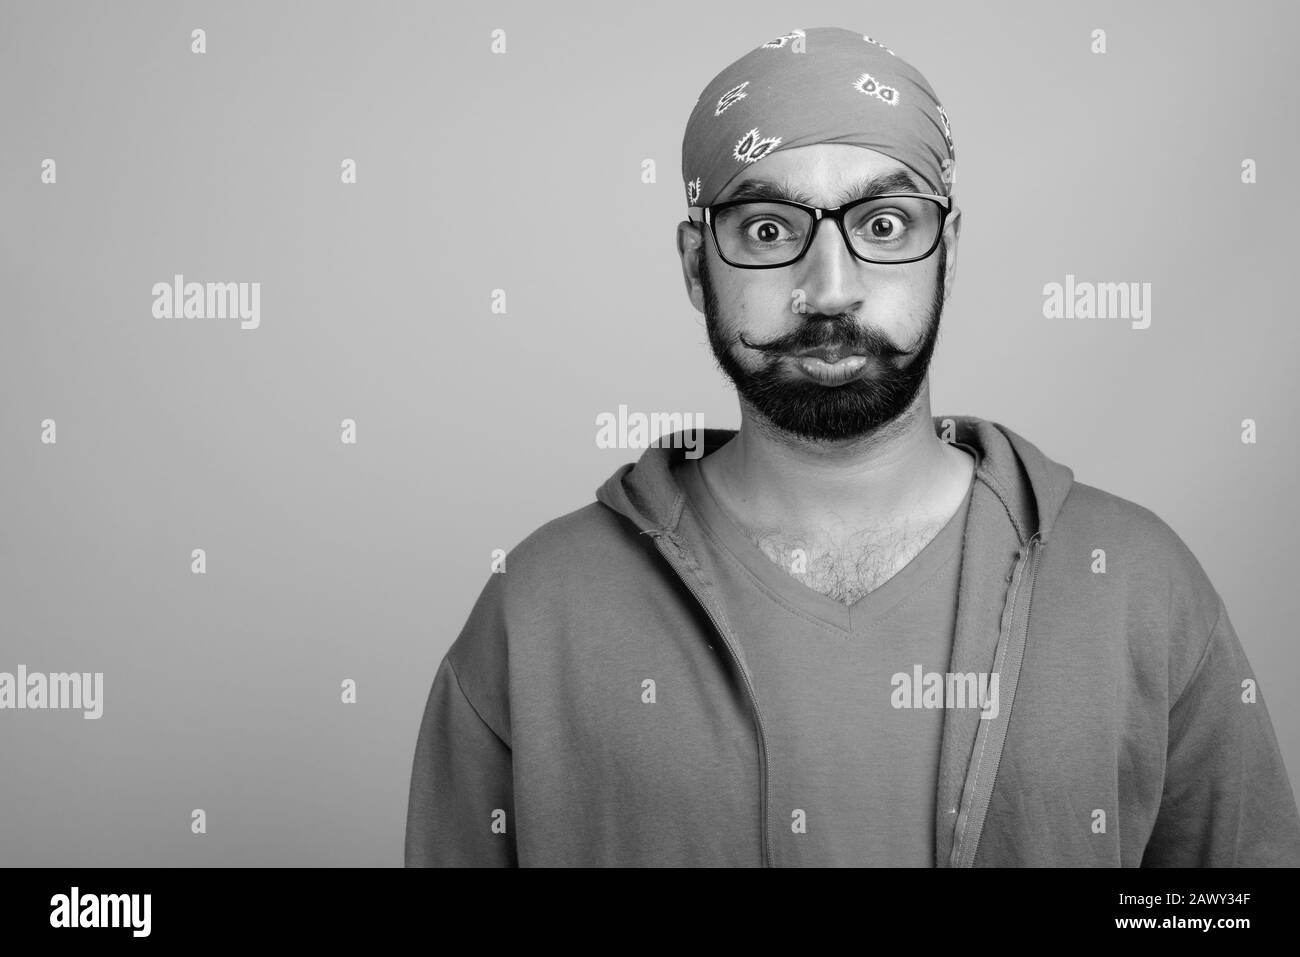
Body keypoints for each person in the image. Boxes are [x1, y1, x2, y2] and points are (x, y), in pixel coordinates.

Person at [404, 25, 1300, 866]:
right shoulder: (538, 607)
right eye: (767, 231)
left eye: (881, 226)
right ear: (693, 265)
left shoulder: (1138, 581)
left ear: (947, 249)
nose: (828, 290)